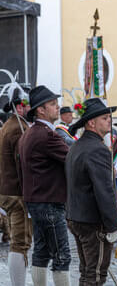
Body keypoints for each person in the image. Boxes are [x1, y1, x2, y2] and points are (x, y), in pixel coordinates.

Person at [66, 98, 117, 284]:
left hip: (76, 216)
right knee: (96, 275)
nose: (110, 121)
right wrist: (114, 225)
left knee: (87, 271)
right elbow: (104, 191)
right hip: (93, 222)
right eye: (105, 117)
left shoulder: (77, 146)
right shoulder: (98, 149)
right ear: (92, 122)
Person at [18, 85, 71, 285]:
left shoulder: (29, 133)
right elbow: (72, 158)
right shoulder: (46, 135)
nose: (58, 107)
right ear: (41, 109)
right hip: (49, 201)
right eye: (53, 104)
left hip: (36, 201)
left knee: (41, 251)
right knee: (61, 255)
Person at [0, 85, 32, 285]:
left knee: (18, 241)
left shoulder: (9, 125)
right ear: (20, 107)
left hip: (8, 192)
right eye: (29, 105)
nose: (33, 109)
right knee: (20, 242)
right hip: (17, 194)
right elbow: (24, 166)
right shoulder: (18, 128)